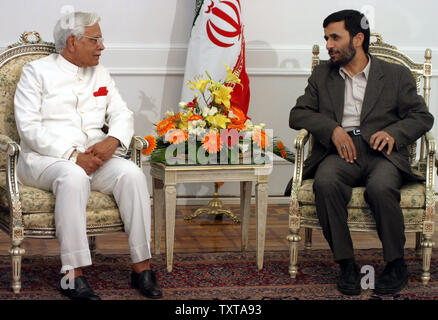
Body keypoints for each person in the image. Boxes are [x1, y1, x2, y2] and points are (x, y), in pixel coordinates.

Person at [14, 12, 162, 300]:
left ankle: (142, 268)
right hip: (44, 160)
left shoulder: (100, 73)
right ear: (72, 42)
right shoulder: (36, 72)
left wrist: (114, 140)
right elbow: (28, 128)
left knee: (131, 174)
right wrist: (71, 155)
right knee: (73, 176)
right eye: (95, 39)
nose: (102, 46)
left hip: (95, 156)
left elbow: (121, 112)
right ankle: (72, 275)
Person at [287, 10, 434, 295]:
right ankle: (347, 265)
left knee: (381, 187)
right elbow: (298, 113)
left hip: (383, 155)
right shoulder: (322, 75)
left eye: (335, 37)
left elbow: (421, 117)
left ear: (357, 38)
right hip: (340, 153)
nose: (329, 44)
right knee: (326, 183)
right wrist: (332, 129)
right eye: (326, 38)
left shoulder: (395, 75)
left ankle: (395, 264)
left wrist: (394, 133)